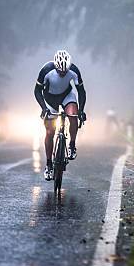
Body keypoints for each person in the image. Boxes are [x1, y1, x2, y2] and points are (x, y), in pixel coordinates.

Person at [34, 50, 87, 181]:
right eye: (59, 71)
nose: (62, 74)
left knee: (73, 115)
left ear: (69, 67)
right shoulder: (46, 70)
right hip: (49, 99)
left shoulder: (74, 70)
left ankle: (72, 145)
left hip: (66, 96)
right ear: (55, 67)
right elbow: (37, 91)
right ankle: (49, 164)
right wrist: (44, 108)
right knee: (50, 131)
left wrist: (81, 110)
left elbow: (81, 91)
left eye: (65, 71)